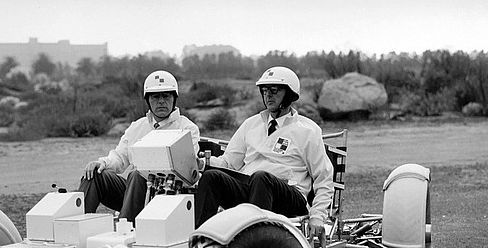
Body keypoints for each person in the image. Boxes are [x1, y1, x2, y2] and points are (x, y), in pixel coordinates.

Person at [194, 66, 334, 238]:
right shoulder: (251, 124)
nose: (268, 95)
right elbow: (229, 163)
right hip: (251, 188)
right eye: (265, 90)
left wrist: (318, 216)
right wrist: (203, 163)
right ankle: (200, 241)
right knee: (212, 177)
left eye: (274, 90)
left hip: (289, 194)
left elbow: (324, 178)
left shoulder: (308, 131)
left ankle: (256, 243)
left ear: (289, 94)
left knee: (262, 177)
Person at [78, 70, 200, 221]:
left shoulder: (188, 128)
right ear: (147, 99)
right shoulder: (137, 127)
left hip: (170, 197)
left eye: (166, 96)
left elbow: (188, 171)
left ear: (174, 98)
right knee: (95, 174)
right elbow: (120, 158)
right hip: (136, 194)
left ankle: (127, 229)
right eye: (155, 96)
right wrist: (102, 163)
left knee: (137, 174)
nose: (161, 101)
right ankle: (73, 228)